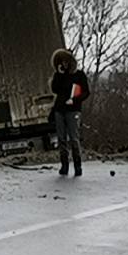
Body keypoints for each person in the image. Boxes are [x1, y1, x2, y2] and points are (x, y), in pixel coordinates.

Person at [50, 49, 90, 177]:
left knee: (74, 138)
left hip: (73, 110)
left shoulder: (79, 75)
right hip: (60, 109)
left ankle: (78, 165)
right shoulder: (59, 75)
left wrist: (75, 100)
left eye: (66, 62)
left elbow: (86, 92)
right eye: (62, 62)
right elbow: (55, 89)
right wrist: (59, 74)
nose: (64, 64)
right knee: (61, 139)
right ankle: (64, 165)